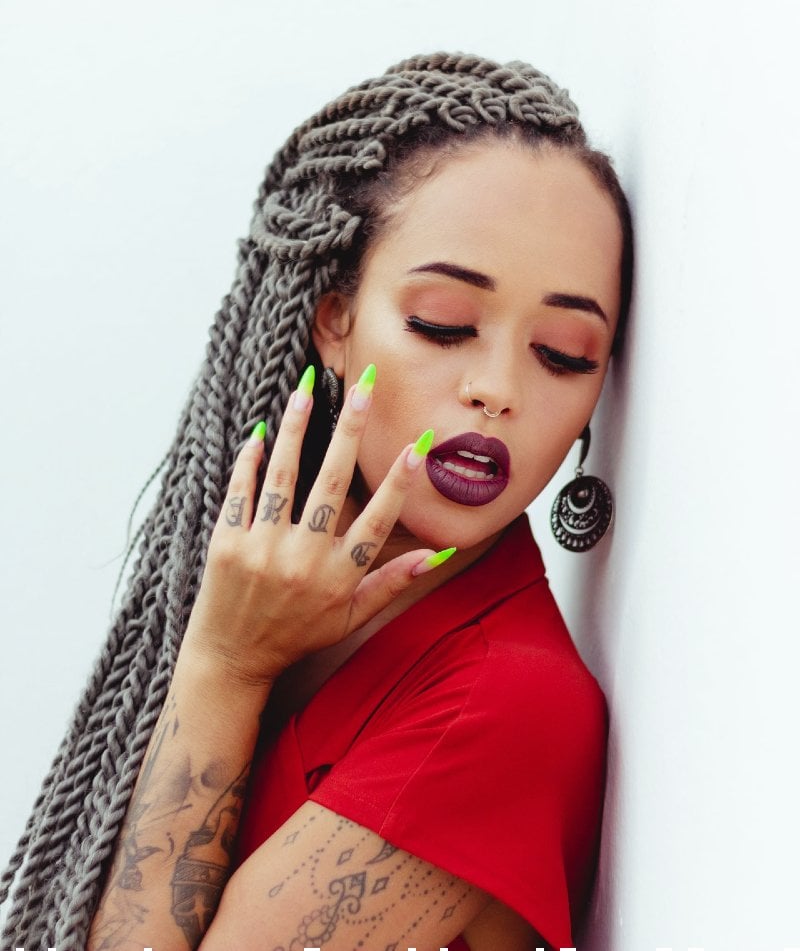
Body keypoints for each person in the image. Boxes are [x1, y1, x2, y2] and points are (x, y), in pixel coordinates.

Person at [1, 51, 633, 951]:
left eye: (565, 353)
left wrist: (223, 667)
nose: (498, 389)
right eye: (444, 323)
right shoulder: (250, 582)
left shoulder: (505, 704)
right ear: (332, 320)